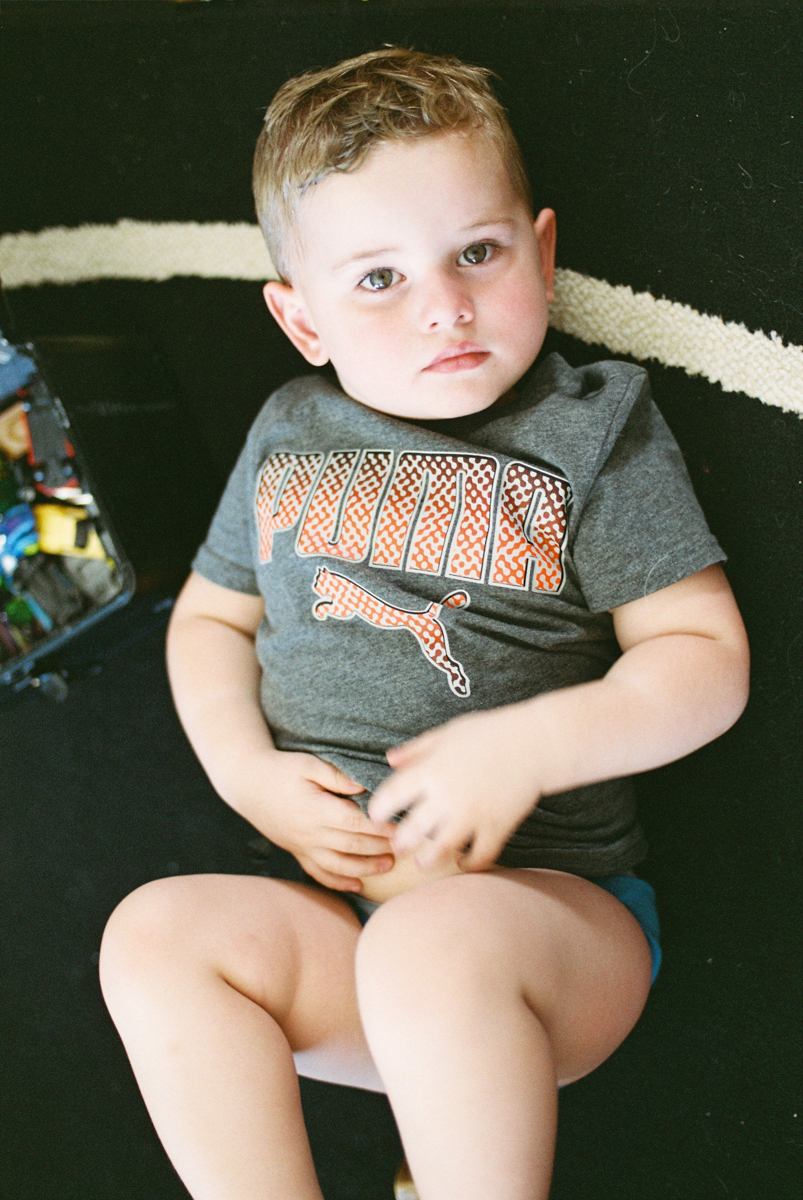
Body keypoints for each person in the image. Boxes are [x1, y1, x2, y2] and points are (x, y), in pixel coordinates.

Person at [99, 47, 750, 1200]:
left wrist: (525, 750)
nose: (443, 304)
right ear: (301, 319)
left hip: (546, 928)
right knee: (152, 936)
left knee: (431, 946)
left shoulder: (588, 434)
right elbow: (207, 620)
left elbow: (702, 661)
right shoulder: (289, 431)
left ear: (541, 252)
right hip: (340, 921)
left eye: (477, 254)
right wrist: (247, 774)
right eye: (378, 279)